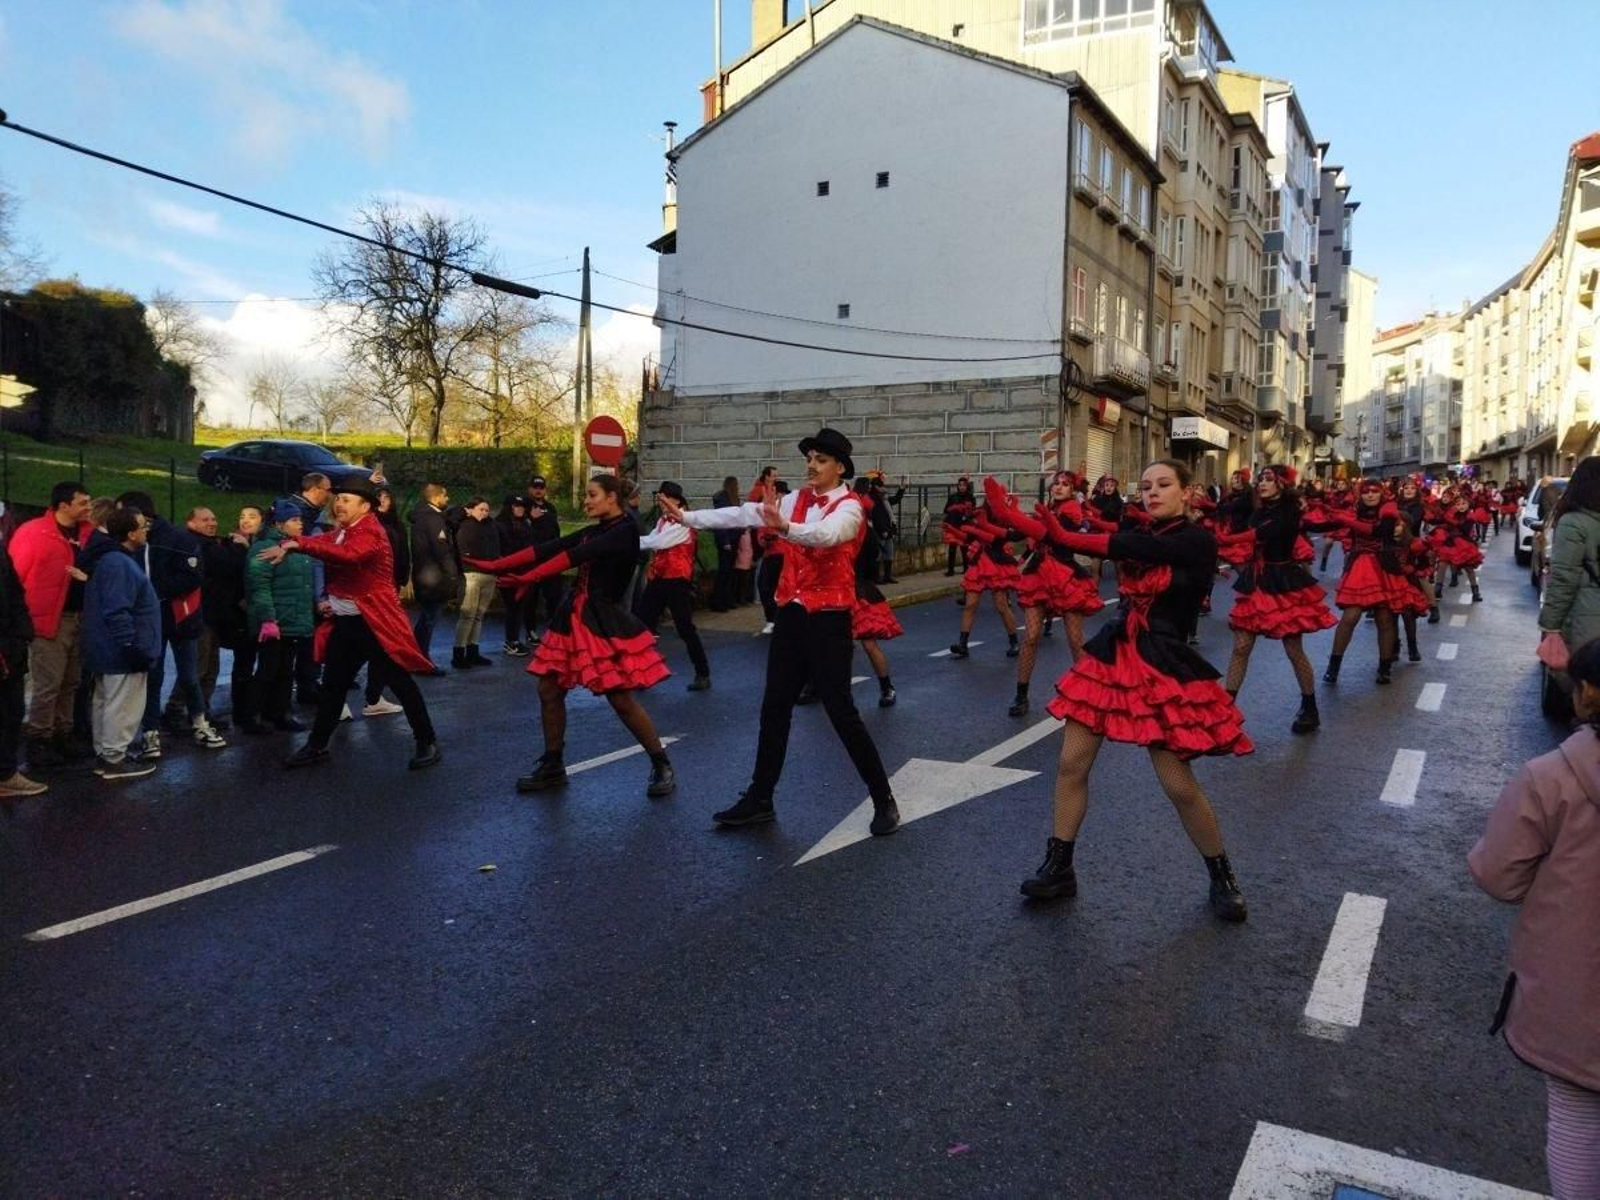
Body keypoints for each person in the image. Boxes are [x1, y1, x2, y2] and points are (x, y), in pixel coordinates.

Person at [986, 464, 1252, 922]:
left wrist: (1064, 537)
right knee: (1071, 764)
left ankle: (1220, 874)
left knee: (1177, 785)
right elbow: (1087, 534)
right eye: (1145, 486)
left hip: (1164, 665)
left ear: (1187, 493)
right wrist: (1015, 519)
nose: (1151, 493)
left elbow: (1122, 544)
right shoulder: (1138, 527)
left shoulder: (1196, 540)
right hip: (1114, 654)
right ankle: (1059, 866)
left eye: (1163, 485)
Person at [669, 429, 899, 836]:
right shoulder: (794, 500)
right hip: (792, 615)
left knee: (841, 711)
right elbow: (743, 513)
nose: (811, 465)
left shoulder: (850, 508)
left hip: (829, 618)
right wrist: (688, 518)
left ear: (840, 467)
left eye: (820, 460)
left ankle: (884, 799)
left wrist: (786, 527)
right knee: (774, 707)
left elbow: (828, 536)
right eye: (810, 457)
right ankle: (761, 797)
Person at [1469, 635, 1600, 1200]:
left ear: (1589, 694)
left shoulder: (1553, 776)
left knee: (1575, 1118)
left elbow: (1500, 875)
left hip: (1579, 993)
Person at [466, 474, 675, 798]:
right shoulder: (598, 529)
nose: (586, 501)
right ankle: (553, 765)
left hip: (603, 619)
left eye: (592, 495)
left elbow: (572, 558)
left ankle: (661, 763)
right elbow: (549, 547)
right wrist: (495, 566)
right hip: (573, 614)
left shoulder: (625, 530)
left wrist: (529, 578)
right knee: (549, 688)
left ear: (612, 498)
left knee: (620, 698)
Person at [258, 480, 441, 771]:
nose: (339, 504)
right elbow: (327, 543)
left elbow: (350, 555)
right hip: (347, 623)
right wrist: (291, 545)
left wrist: (297, 543)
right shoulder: (344, 531)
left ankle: (427, 741)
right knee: (333, 686)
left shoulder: (370, 531)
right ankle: (317, 746)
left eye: (346, 499)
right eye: (338, 499)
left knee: (400, 682)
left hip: (375, 623)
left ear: (364, 507)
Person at [1216, 466, 1336, 734]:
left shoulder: (1289, 511)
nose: (1262, 483)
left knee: (1293, 649)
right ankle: (1226, 709)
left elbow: (1260, 535)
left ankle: (1310, 707)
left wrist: (1224, 540)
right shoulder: (1260, 510)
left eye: (1269, 479)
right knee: (1241, 646)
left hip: (1283, 582)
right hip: (1258, 579)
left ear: (1282, 484)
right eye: (1261, 479)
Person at [984, 471, 1106, 717]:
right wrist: (1001, 518)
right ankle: (1021, 694)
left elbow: (1054, 536)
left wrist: (1009, 513)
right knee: (1030, 637)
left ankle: (1089, 692)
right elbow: (1018, 534)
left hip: (1065, 577)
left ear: (1073, 490)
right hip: (1039, 575)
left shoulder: (1072, 509)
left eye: (1065, 484)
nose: (1059, 487)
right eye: (1056, 484)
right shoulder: (1049, 507)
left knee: (1075, 640)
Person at [115, 490, 226, 755]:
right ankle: (150, 730)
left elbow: (193, 575)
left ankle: (200, 722)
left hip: (181, 616)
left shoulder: (178, 538)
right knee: (153, 676)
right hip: (150, 620)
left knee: (189, 673)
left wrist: (152, 592)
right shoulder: (129, 542)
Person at [6, 481, 93, 768]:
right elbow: (16, 577)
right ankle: (39, 738)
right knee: (49, 683)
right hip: (47, 620)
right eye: (82, 502)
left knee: (71, 681)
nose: (88, 507)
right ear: (63, 505)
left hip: (78, 617)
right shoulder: (34, 533)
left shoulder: (88, 534)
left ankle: (61, 732)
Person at [80, 508, 162, 780]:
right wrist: (130, 644)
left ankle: (106, 754)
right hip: (121, 650)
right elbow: (118, 610)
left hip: (106, 648)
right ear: (130, 533)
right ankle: (115, 758)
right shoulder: (119, 563)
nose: (146, 529)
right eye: (142, 526)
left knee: (106, 702)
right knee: (122, 705)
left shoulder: (109, 559)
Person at [1313, 479, 1406, 686]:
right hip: (1359, 568)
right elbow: (1328, 525)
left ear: (1381, 494)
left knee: (1384, 618)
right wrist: (1300, 520)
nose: (1370, 495)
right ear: (1360, 494)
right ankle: (1334, 665)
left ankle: (1384, 667)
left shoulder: (1388, 511)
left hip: (1383, 566)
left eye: (1374, 491)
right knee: (1350, 616)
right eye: (1366, 492)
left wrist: (1346, 521)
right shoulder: (1355, 510)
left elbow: (1381, 532)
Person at [241, 500, 315, 734]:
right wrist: (268, 619)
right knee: (267, 670)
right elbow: (259, 586)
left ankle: (279, 713)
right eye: (294, 520)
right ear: (279, 523)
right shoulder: (263, 548)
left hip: (292, 618)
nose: (300, 524)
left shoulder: (295, 546)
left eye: (300, 519)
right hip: (275, 620)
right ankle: (251, 716)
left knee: (285, 671)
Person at [635, 481, 712, 692]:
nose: (661, 502)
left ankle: (702, 672)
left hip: (677, 581)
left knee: (685, 628)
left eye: (665, 498)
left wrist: (629, 541)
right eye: (660, 498)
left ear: (676, 500)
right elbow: (652, 538)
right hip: (659, 578)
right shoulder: (663, 520)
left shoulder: (683, 522)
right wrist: (630, 540)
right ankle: (641, 670)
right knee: (642, 622)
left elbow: (659, 542)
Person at [1537, 456, 1600, 682]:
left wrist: (1550, 626)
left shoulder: (1574, 522)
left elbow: (1563, 579)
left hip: (1588, 619)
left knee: (1585, 688)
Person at [199, 505, 260, 728]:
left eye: (252, 517)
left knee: (260, 663)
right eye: (242, 516)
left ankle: (256, 707)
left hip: (259, 612)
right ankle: (240, 712)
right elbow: (232, 574)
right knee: (233, 663)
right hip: (233, 613)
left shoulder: (265, 544)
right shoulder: (230, 544)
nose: (246, 520)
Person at [0, 527, 44, 798]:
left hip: (11, 644)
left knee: (12, 711)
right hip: (6, 647)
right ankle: (5, 775)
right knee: (9, 711)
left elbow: (15, 593)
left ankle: (6, 772)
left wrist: (24, 630)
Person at [282, 472, 333, 706]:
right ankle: (306, 685)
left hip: (307, 584)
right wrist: (318, 594)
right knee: (304, 641)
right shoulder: (299, 513)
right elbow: (313, 558)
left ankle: (309, 681)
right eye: (327, 489)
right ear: (314, 489)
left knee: (308, 640)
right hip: (302, 585)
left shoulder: (309, 513)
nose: (329, 494)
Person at [948, 497, 1021, 660]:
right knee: (970, 604)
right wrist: (961, 523)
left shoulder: (1003, 518)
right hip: (980, 561)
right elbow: (968, 536)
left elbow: (999, 539)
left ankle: (1014, 642)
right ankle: (963, 644)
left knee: (1001, 605)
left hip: (996, 562)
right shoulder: (980, 513)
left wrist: (977, 528)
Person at [408, 482, 457, 670]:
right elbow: (442, 550)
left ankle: (419, 655)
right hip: (434, 577)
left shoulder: (419, 517)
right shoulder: (434, 519)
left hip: (423, 575)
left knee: (426, 618)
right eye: (445, 496)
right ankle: (421, 658)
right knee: (429, 619)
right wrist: (452, 575)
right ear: (436, 498)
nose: (447, 499)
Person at [451, 496, 500, 670]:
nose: (484, 513)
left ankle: (473, 650)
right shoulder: (464, 524)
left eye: (487, 510)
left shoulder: (492, 526)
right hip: (471, 573)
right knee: (468, 615)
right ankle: (459, 653)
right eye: (481, 509)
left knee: (479, 615)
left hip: (490, 574)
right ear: (471, 509)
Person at [522, 475, 565, 639]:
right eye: (535, 487)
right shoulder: (525, 506)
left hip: (552, 556)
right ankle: (530, 630)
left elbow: (556, 530)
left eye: (541, 487)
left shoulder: (550, 507)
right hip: (534, 558)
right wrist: (530, 518)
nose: (538, 490)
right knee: (531, 596)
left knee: (554, 595)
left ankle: (553, 629)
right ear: (530, 489)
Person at [494, 496, 537, 655]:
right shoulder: (501, 525)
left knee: (518, 607)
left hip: (525, 571)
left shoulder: (525, 524)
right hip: (509, 571)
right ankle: (511, 641)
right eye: (516, 506)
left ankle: (514, 639)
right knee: (513, 606)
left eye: (522, 506)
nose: (520, 509)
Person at [709, 475, 742, 611]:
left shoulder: (732, 499)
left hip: (733, 537)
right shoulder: (723, 499)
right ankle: (718, 601)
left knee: (728, 571)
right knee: (724, 571)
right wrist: (725, 540)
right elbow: (721, 520)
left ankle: (726, 600)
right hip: (727, 538)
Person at [941, 476, 977, 576]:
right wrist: (954, 508)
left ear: (967, 486)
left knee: (964, 548)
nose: (961, 487)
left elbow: (973, 511)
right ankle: (950, 570)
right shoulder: (953, 497)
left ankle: (966, 568)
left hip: (964, 525)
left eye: (964, 485)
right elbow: (946, 509)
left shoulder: (970, 497)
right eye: (960, 485)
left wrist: (967, 510)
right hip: (953, 524)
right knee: (952, 547)